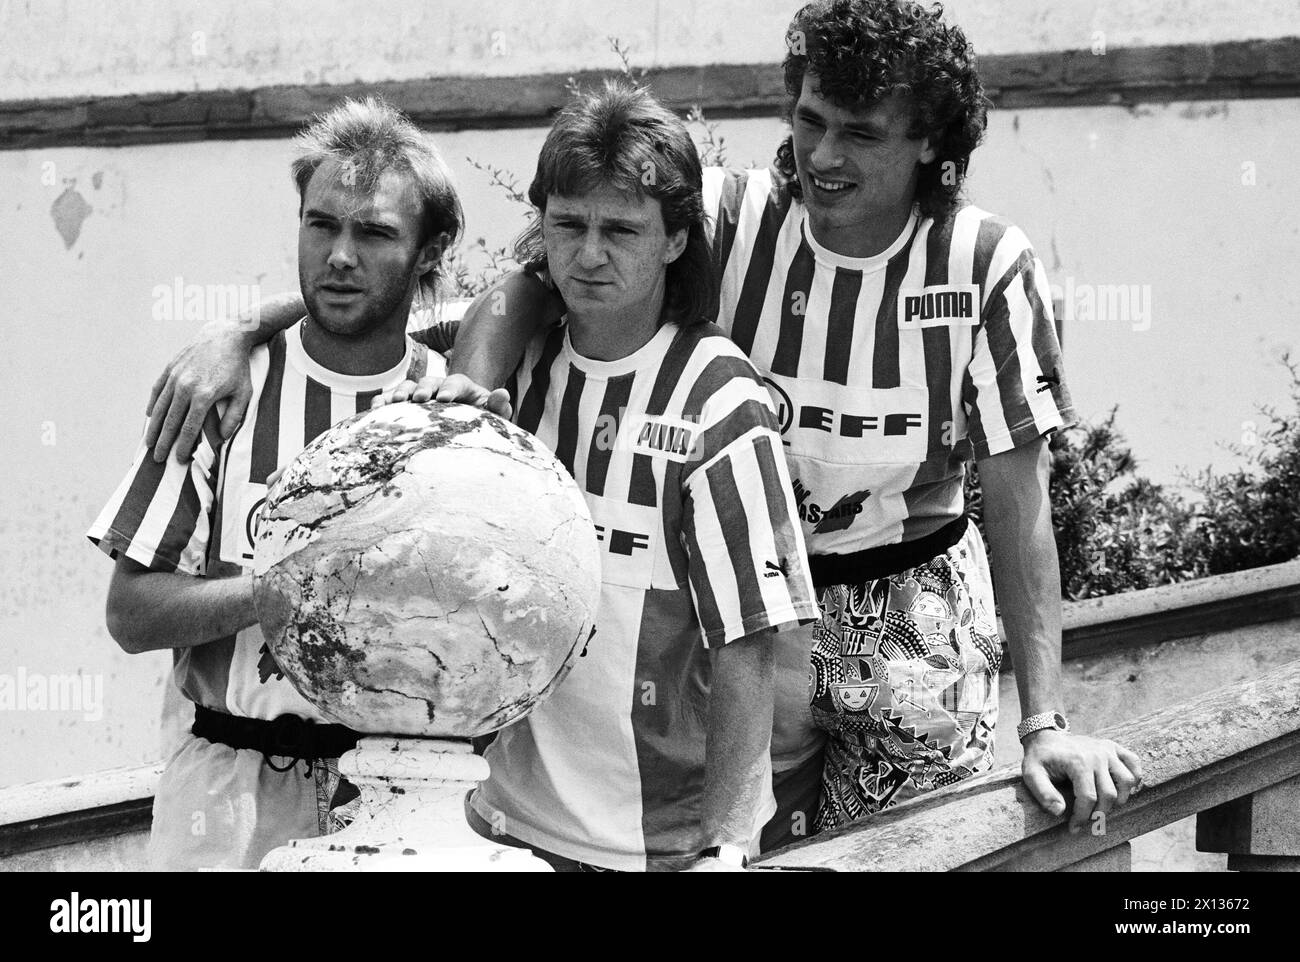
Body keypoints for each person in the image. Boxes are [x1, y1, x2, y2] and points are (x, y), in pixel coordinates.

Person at [142, 0, 1143, 853]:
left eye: (860, 133)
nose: (821, 155)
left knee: (919, 859)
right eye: (806, 119)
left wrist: (1044, 721)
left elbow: (1019, 503)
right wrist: (255, 328)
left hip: (905, 604)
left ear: (929, 140)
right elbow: (520, 273)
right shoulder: (730, 212)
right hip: (749, 614)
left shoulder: (984, 265)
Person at [86, 97, 461, 870]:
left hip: (406, 791)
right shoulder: (223, 390)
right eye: (321, 223)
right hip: (228, 795)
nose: (340, 255)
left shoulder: (452, 407)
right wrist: (280, 591)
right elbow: (130, 612)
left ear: (431, 252)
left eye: (375, 232)